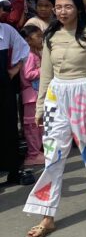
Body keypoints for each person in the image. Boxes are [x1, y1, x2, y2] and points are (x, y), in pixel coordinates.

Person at [23, 0, 86, 237]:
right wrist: (41, 107)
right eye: (58, 7)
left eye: (68, 7)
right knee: (53, 156)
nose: (62, 11)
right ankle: (47, 216)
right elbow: (45, 74)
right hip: (56, 94)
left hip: (83, 94)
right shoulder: (50, 35)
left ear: (78, 9)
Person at [0, 21, 31, 186]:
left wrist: (16, 68)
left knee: (8, 127)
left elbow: (24, 48)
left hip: (4, 87)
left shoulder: (6, 30)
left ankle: (13, 170)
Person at [19, 25, 44, 167]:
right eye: (38, 36)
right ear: (28, 40)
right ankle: (33, 154)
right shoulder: (29, 54)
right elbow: (28, 74)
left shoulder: (33, 53)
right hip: (30, 96)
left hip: (35, 94)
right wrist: (43, 69)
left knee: (38, 125)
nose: (41, 39)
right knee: (32, 126)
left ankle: (37, 151)